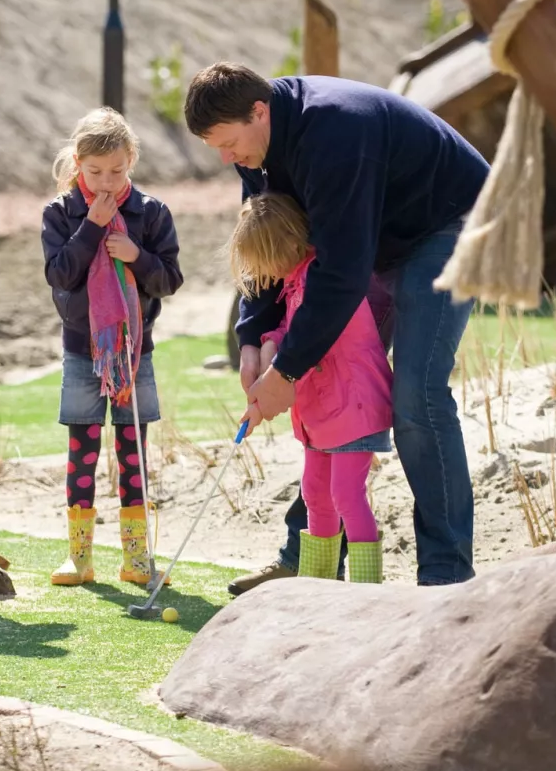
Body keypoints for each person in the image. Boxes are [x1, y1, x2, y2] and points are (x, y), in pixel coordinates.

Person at [185, 62, 488, 591]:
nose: (226, 158)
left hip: (449, 224)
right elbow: (269, 244)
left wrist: (286, 371)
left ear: (259, 111)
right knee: (327, 386)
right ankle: (306, 558)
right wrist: (254, 335)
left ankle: (446, 575)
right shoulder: (253, 145)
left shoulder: (335, 131)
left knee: (417, 395)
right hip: (373, 237)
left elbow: (342, 272)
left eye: (228, 143)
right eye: (217, 147)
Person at [41, 108, 183, 587]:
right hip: (84, 353)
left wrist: (137, 255)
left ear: (132, 161)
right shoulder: (60, 213)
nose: (106, 181)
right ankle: (79, 559)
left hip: (134, 356)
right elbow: (60, 277)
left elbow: (169, 279)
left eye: (117, 171)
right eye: (95, 171)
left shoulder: (152, 213)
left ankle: (137, 558)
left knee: (133, 454)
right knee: (81, 451)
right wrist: (93, 229)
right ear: (78, 163)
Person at [231, 192, 391, 583]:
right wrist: (269, 338)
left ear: (282, 248)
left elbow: (313, 344)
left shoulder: (322, 281)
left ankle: (367, 588)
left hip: (354, 407)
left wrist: (266, 395)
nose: (261, 273)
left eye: (260, 262)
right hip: (321, 413)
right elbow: (291, 331)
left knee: (346, 496)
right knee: (315, 494)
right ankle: (316, 585)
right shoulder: (294, 285)